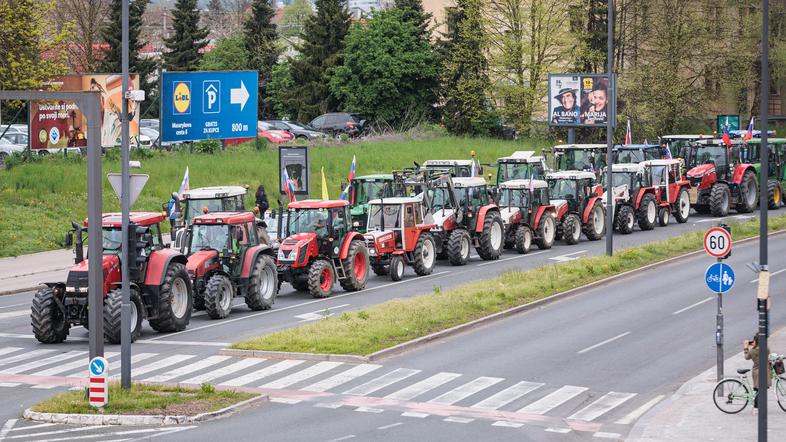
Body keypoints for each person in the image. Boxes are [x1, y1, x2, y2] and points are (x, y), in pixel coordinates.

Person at [744, 335, 771, 409]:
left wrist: (746, 347)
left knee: (758, 389)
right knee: (761, 389)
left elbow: (746, 357)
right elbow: (768, 352)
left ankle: (757, 405)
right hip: (764, 371)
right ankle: (757, 405)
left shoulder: (752, 350)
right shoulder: (766, 348)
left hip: (756, 372)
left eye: (754, 341)